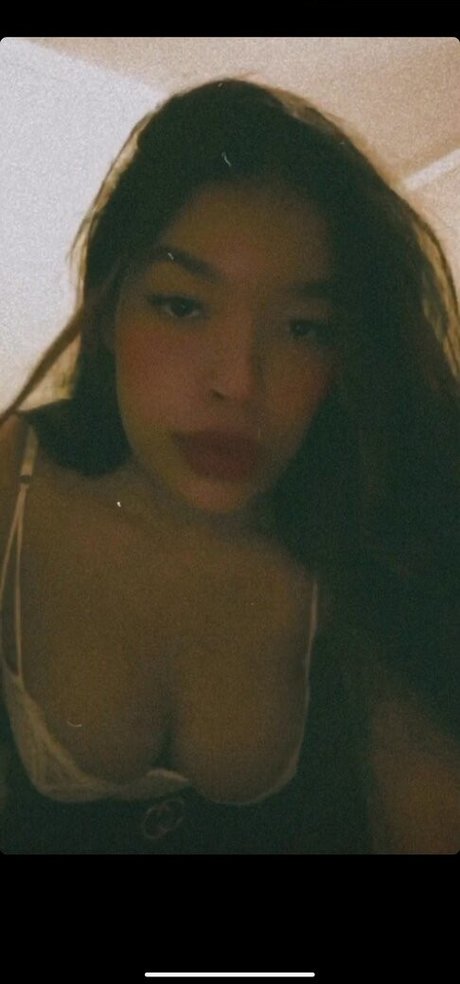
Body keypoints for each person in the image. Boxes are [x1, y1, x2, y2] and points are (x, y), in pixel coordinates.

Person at [0, 76, 459, 854]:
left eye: (304, 328)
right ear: (107, 310)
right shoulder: (13, 483)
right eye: (182, 306)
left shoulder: (364, 540)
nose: (240, 383)